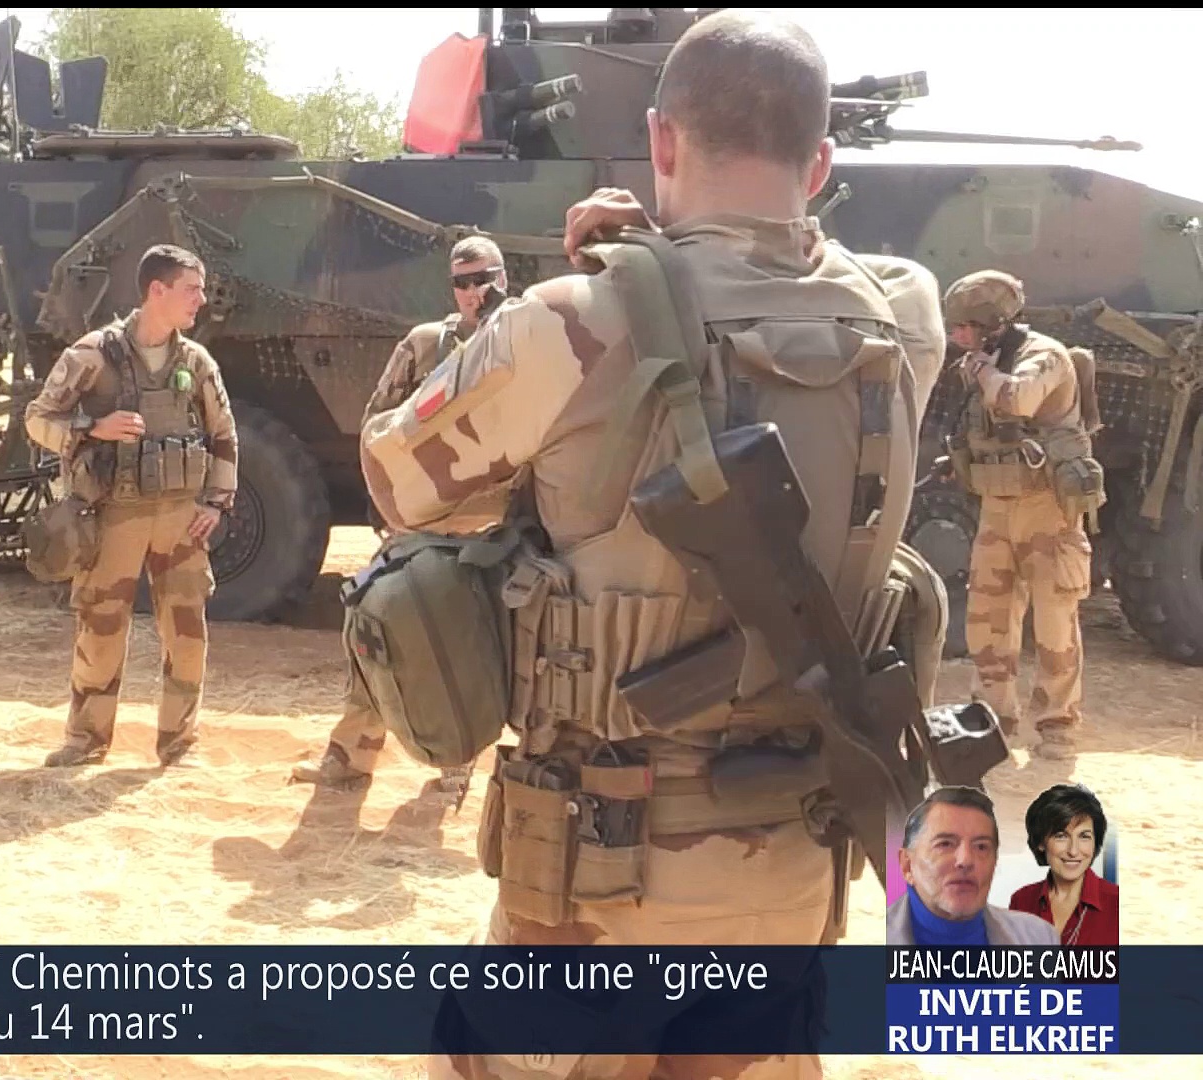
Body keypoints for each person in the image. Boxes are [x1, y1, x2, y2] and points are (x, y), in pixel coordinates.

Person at [357, 12, 950, 1078]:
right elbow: (870, 275)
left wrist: (625, 266)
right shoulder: (901, 324)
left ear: (659, 141)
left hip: (598, 884)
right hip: (793, 879)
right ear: (821, 164)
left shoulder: (573, 318)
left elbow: (396, 481)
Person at [290, 235, 506, 796]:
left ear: (503, 278)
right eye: (461, 282)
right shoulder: (426, 345)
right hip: (422, 521)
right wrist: (387, 501)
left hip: (494, 527)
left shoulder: (522, 340)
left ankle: (457, 757)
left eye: (483, 279)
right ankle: (350, 756)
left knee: (470, 645)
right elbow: (376, 424)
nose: (473, 292)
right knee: (375, 631)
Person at [24, 244, 238, 767]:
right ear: (156, 290)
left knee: (187, 633)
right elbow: (38, 419)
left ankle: (180, 743)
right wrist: (91, 428)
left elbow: (224, 435)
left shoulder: (196, 361)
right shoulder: (93, 355)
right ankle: (85, 740)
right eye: (191, 289)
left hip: (180, 521)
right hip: (113, 516)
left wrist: (217, 503)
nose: (201, 299)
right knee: (101, 628)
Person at [942, 270, 1095, 762]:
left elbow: (1020, 399)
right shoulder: (985, 360)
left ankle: (1057, 726)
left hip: (1046, 509)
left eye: (965, 326)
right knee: (988, 619)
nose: (956, 335)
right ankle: (993, 721)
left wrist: (983, 373)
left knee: (1053, 622)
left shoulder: (1044, 355)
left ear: (993, 323)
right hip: (998, 507)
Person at [886, 786, 1058, 946]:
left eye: (981, 847)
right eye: (945, 844)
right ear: (907, 865)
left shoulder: (1039, 938)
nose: (965, 860)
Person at [1008, 783, 1119, 946]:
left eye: (1084, 836)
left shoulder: (1117, 904)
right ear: (1041, 842)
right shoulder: (1022, 901)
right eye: (1061, 836)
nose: (1073, 851)